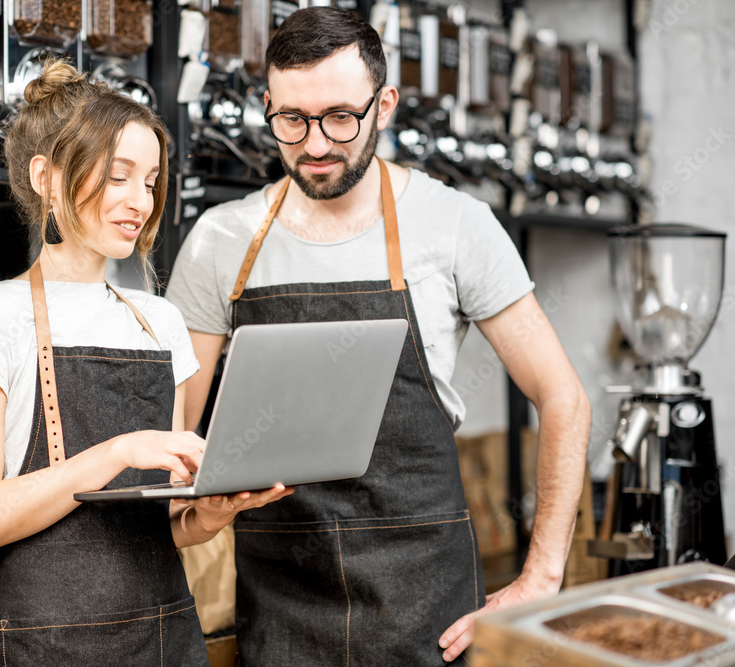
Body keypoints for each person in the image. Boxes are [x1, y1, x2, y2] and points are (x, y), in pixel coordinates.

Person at [165, 7, 591, 665]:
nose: (314, 145)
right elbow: (174, 440)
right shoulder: (221, 242)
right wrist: (196, 513)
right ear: (268, 105)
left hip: (426, 611)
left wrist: (540, 578)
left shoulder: (456, 226)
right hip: (279, 610)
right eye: (292, 120)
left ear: (384, 104)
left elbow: (563, 397)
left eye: (340, 117)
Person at [0, 60, 290, 666]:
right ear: (45, 176)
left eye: (150, 181)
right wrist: (118, 452)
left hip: (169, 635)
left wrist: (207, 515)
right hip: (45, 644)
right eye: (119, 176)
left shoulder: (160, 322)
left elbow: (163, 526)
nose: (140, 201)